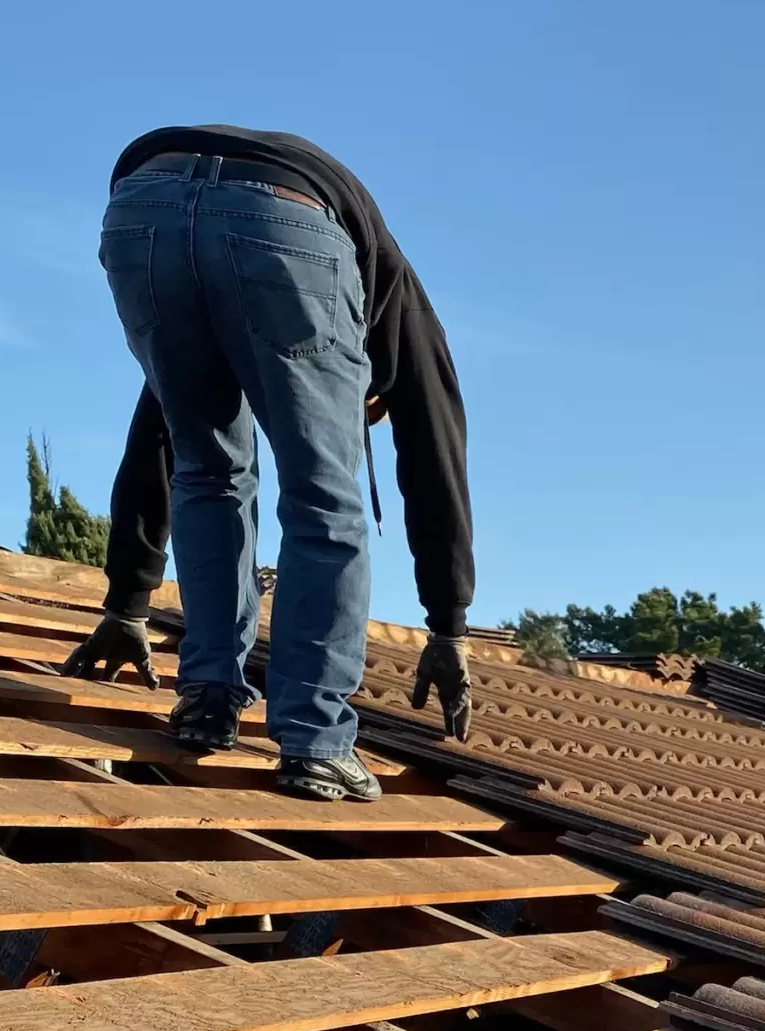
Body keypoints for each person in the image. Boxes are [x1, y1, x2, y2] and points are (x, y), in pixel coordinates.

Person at [63, 126, 477, 801]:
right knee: (323, 496)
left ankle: (206, 699)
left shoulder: (271, 306)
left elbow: (159, 436)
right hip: (284, 218)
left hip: (144, 209)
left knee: (206, 468)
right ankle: (316, 742)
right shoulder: (399, 309)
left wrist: (128, 605)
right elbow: (436, 459)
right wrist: (449, 623)